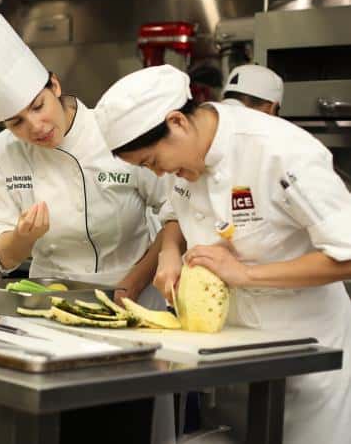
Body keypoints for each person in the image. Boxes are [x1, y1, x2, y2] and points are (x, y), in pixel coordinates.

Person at [94, 64, 351, 444]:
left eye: (152, 162)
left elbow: (346, 253)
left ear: (178, 121)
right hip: (229, 355)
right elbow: (173, 214)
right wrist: (168, 252)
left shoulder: (279, 151)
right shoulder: (186, 159)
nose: (161, 174)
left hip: (306, 359)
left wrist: (246, 275)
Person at [0, 14, 176, 444]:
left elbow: (172, 214)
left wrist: (131, 284)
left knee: (128, 422)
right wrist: (24, 237)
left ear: (54, 85)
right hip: (51, 309)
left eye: (37, 107)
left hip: (131, 301)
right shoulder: (4, 152)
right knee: (60, 426)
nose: (34, 127)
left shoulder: (112, 130)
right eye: (16, 122)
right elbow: (4, 255)